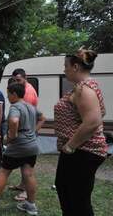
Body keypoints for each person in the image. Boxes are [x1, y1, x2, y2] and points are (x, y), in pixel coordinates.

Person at [54, 48, 107, 216]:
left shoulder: (84, 89)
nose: (64, 70)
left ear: (75, 67)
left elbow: (93, 122)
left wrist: (70, 145)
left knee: (77, 199)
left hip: (82, 151)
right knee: (67, 191)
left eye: (66, 66)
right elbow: (101, 112)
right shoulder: (83, 87)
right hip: (79, 150)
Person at [0, 82, 45, 215]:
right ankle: (31, 206)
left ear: (14, 94)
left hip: (18, 145)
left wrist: (10, 137)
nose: (7, 97)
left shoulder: (15, 107)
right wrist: (33, 132)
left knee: (4, 172)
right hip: (32, 146)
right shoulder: (31, 107)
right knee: (29, 174)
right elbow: (42, 117)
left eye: (8, 94)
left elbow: (14, 121)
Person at [10, 68, 39, 200]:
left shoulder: (27, 93)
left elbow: (23, 117)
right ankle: (22, 185)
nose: (17, 82)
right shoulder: (25, 89)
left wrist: (13, 134)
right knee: (24, 165)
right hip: (26, 134)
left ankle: (27, 192)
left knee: (27, 169)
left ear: (25, 77)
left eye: (19, 80)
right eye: (14, 80)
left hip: (25, 136)